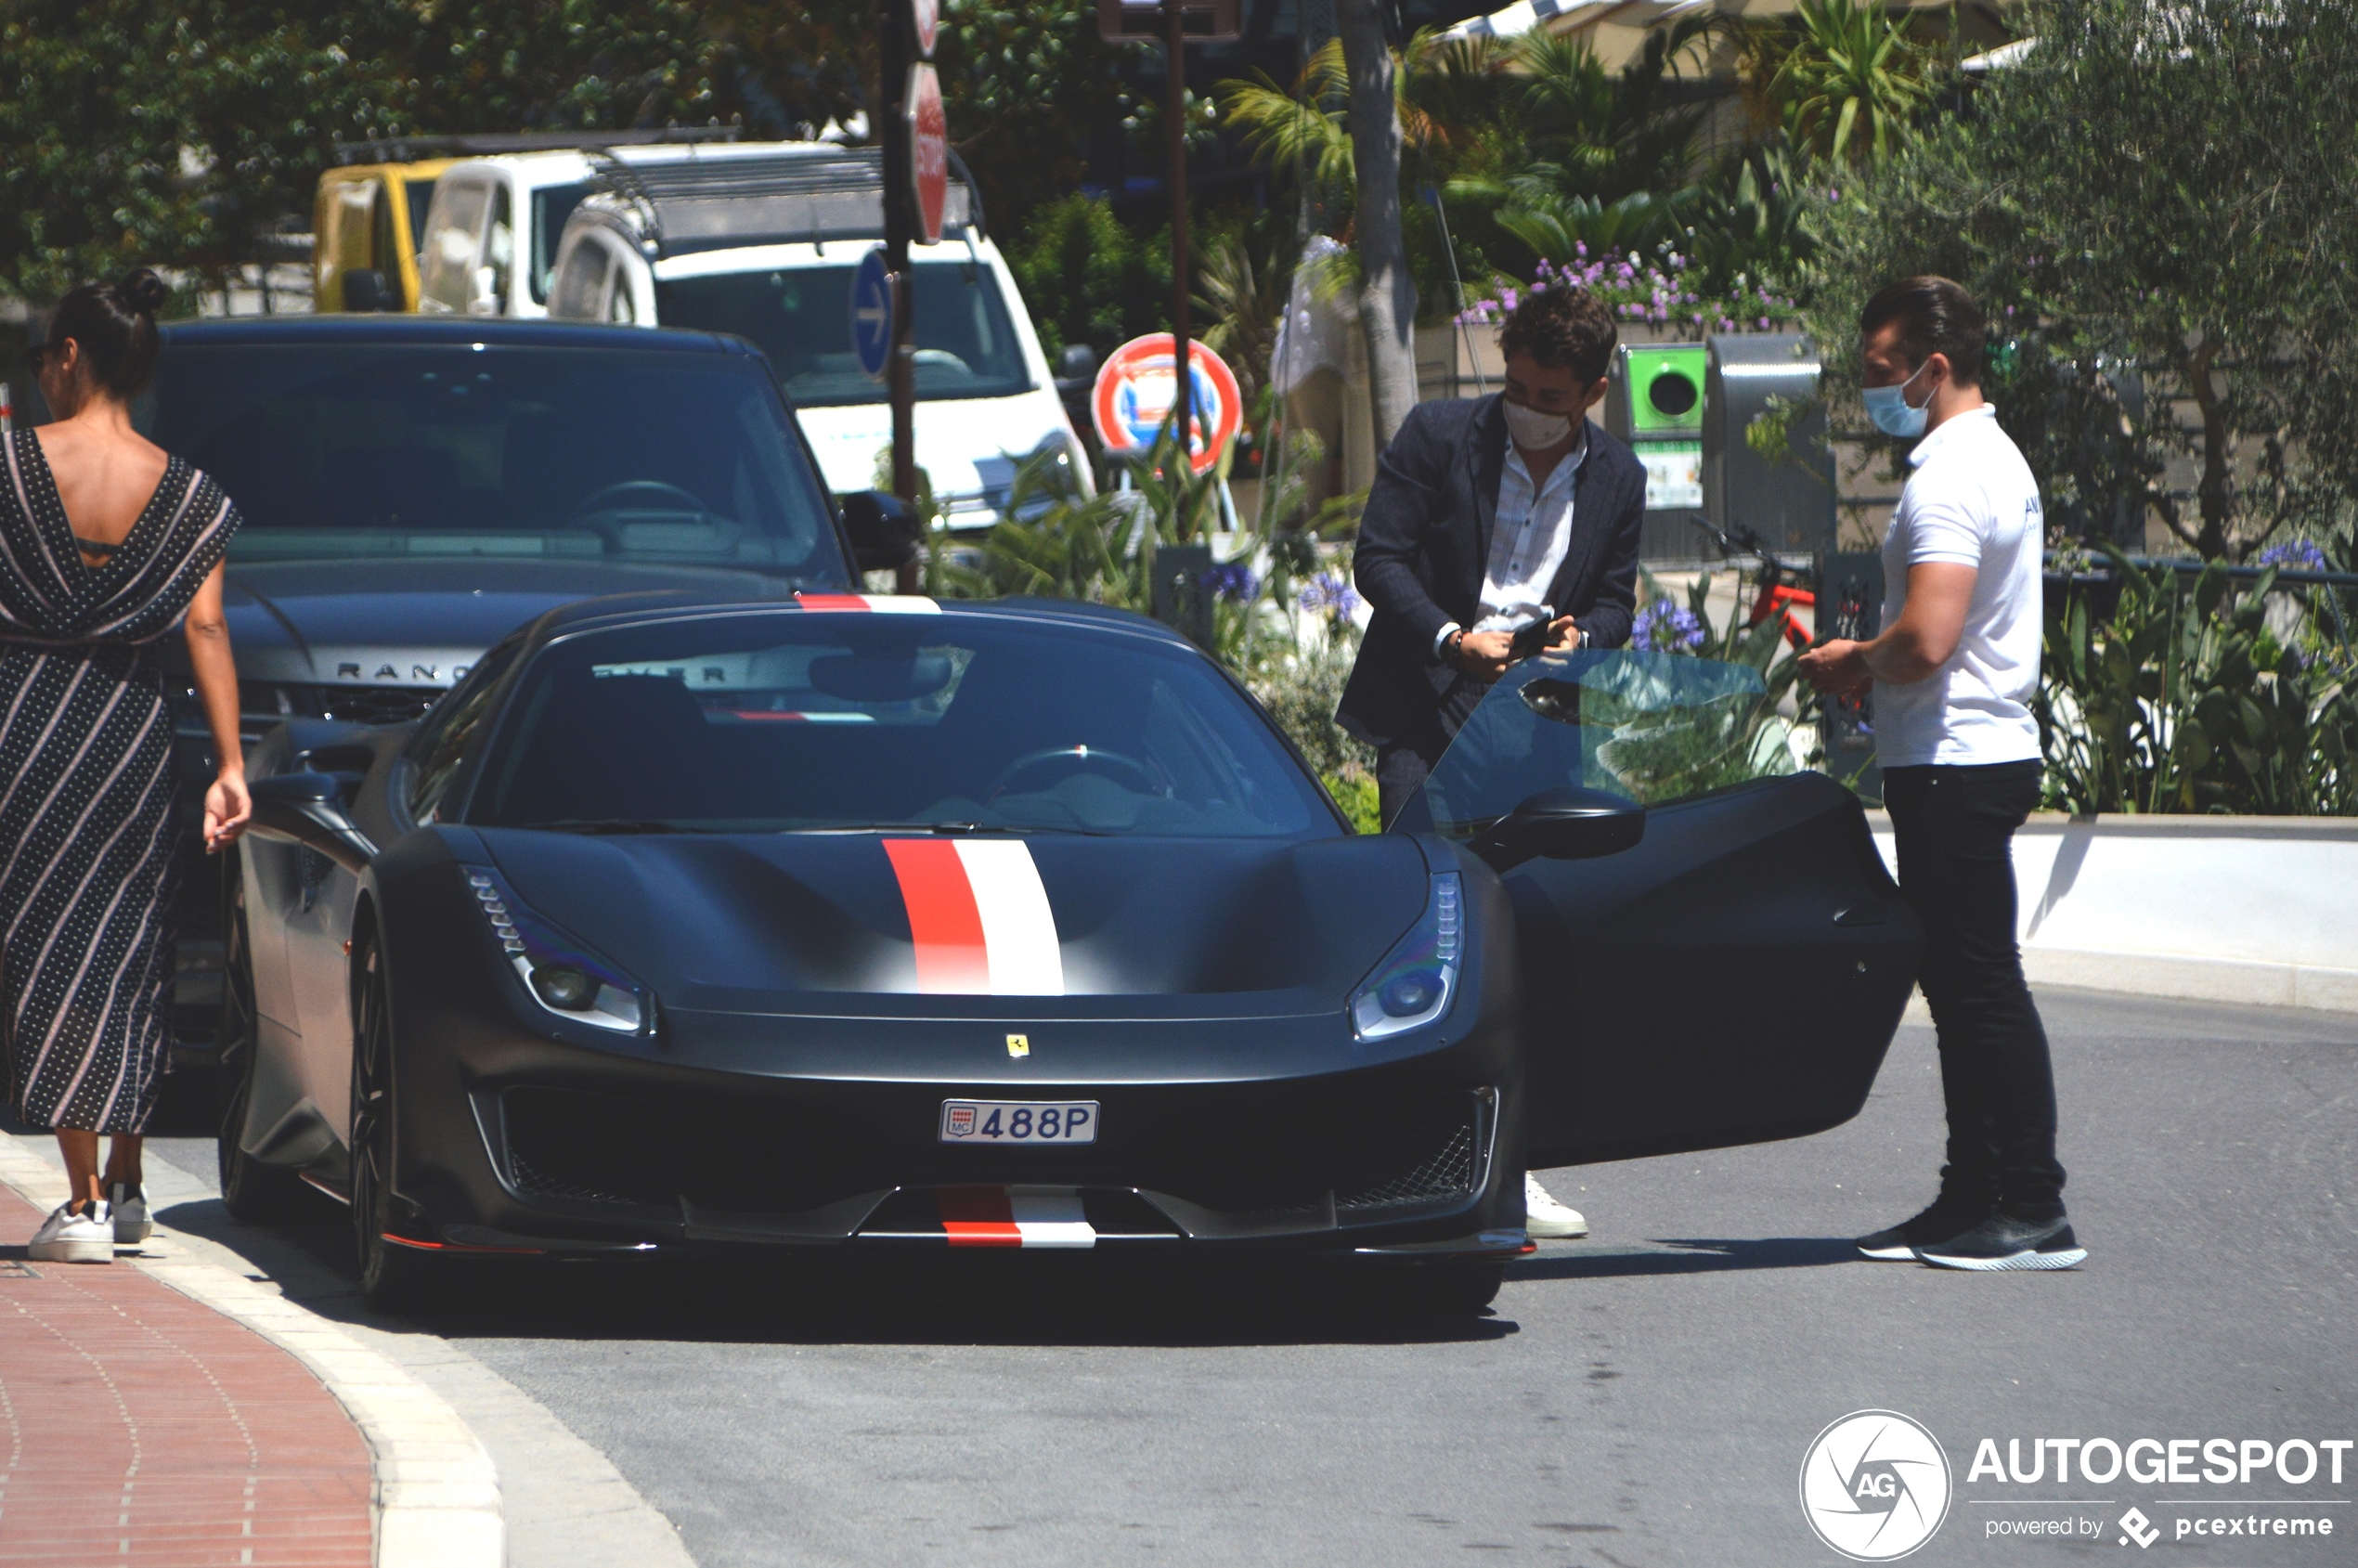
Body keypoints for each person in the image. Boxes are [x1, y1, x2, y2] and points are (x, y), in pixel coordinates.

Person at [1339, 284, 1648, 1241]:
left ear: (1590, 393)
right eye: (1513, 384)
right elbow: (1376, 558)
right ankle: (1379, 1155)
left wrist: (1574, 637)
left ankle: (1513, 1164)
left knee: (1520, 947)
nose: (1523, 403)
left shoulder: (1618, 478)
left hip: (1533, 724)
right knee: (1413, 935)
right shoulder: (1437, 437)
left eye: (1546, 393)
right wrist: (1445, 638)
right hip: (1427, 711)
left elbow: (1614, 604)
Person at [1798, 276, 2085, 1272]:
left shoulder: (1951, 477)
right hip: (1958, 757)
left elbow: (1924, 639)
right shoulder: (1981, 460)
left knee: (1976, 987)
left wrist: (1850, 662)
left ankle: (2029, 1207)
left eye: (1879, 372)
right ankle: (1973, 1196)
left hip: (1956, 762)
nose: (1868, 388)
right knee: (1960, 986)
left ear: (1932, 367)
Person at [6, 270, 249, 1263]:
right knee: (130, 950)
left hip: (26, 731)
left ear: (69, 356)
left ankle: (85, 1200)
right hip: (129, 738)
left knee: (52, 950)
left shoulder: (12, 468)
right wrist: (231, 765)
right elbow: (206, 625)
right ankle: (135, 1179)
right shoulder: (192, 496)